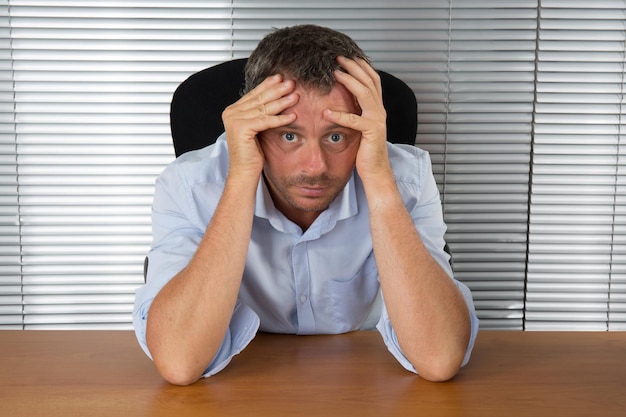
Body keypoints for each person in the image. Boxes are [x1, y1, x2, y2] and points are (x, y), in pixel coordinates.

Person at [133, 24, 479, 386]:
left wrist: (379, 179)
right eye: (288, 135)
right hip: (245, 386)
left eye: (336, 136)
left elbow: (439, 358)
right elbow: (179, 362)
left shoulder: (407, 179)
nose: (315, 166)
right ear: (255, 129)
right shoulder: (189, 185)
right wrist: (241, 178)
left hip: (364, 380)